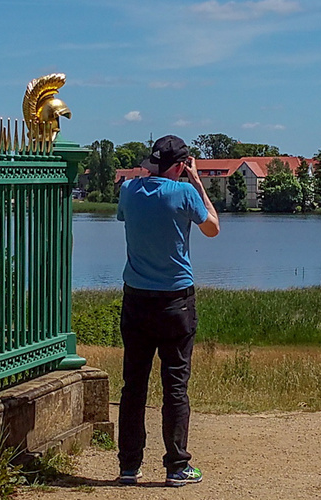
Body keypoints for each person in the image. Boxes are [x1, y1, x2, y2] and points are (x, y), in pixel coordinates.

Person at [113, 135, 220, 487]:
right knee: (175, 385)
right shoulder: (184, 193)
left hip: (137, 299)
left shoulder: (128, 190)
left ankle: (129, 466)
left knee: (134, 386)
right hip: (176, 301)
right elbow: (212, 229)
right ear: (181, 165)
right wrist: (199, 186)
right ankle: (177, 466)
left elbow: (124, 213)